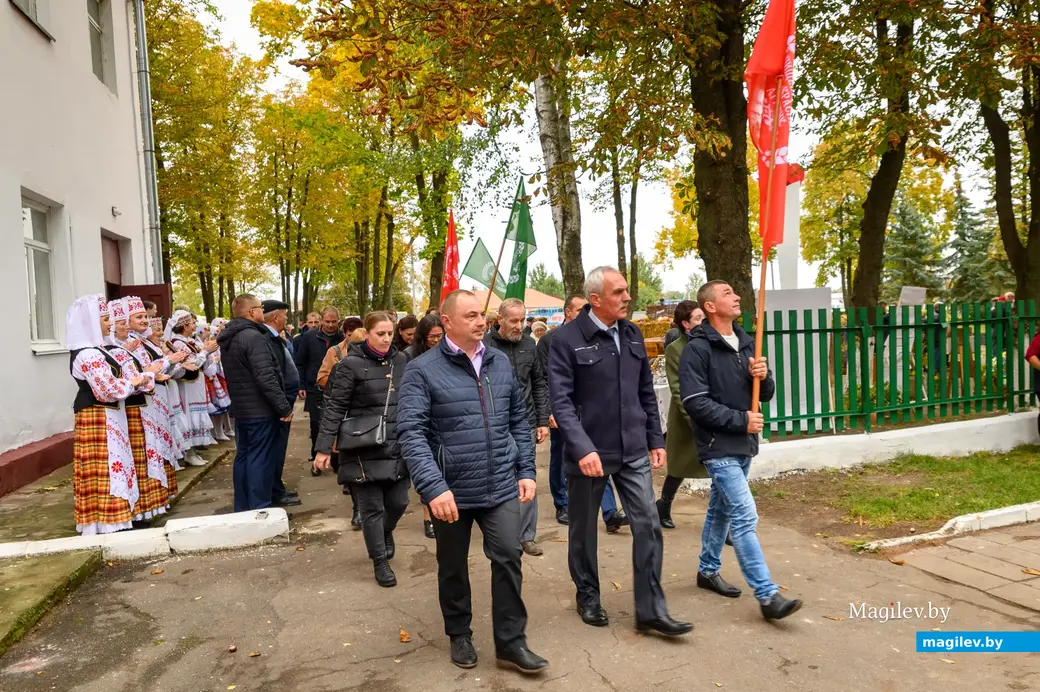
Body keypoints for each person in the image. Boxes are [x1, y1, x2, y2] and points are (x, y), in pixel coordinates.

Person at [397, 290, 548, 674]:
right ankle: (459, 633)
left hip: (499, 482)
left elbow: (519, 419)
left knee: (509, 557)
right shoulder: (422, 369)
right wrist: (433, 488)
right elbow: (411, 433)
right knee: (452, 565)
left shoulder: (498, 361)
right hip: (451, 490)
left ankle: (511, 643)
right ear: (446, 322)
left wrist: (526, 470)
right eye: (471, 316)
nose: (481, 322)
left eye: (482, 315)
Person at [549, 266, 691, 636]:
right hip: (589, 455)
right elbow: (561, 404)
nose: (628, 297)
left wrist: (655, 440)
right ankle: (589, 596)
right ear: (596, 299)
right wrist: (581, 449)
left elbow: (645, 391)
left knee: (648, 524)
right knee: (583, 533)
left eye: (627, 291)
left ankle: (650, 609)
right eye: (619, 292)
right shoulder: (566, 340)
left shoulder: (631, 334)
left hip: (632, 451)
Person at [679, 280, 803, 620]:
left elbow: (764, 395)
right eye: (727, 294)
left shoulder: (747, 343)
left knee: (720, 510)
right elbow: (694, 402)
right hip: (718, 445)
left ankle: (706, 570)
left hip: (744, 444)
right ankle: (767, 596)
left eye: (735, 293)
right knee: (745, 515)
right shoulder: (698, 349)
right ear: (710, 307)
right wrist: (740, 421)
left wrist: (764, 376)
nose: (735, 297)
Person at [314, 311, 410, 587]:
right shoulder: (349, 366)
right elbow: (334, 408)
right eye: (380, 333)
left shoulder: (402, 361)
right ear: (366, 334)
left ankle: (385, 531)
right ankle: (380, 561)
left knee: (399, 502)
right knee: (371, 509)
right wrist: (323, 449)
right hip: (361, 447)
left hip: (396, 444)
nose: (386, 338)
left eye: (390, 333)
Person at [67, 295, 160, 534]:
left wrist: (137, 379)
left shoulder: (96, 351)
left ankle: (118, 517)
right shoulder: (88, 354)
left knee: (116, 464)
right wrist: (142, 378)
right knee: (107, 466)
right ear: (89, 323)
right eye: (106, 319)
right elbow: (109, 390)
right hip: (98, 417)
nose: (110, 323)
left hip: (109, 416)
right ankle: (108, 521)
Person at [536, 295, 628, 530]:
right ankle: (562, 503)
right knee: (560, 458)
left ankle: (609, 513)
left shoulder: (597, 336)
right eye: (580, 310)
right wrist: (549, 410)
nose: (587, 314)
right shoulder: (551, 340)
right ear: (568, 312)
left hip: (588, 413)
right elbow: (546, 379)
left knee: (595, 456)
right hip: (562, 410)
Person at [483, 298, 549, 556]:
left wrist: (543, 420)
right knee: (498, 477)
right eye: (513, 320)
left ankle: (526, 536)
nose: (519, 325)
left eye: (522, 320)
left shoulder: (529, 345)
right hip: (494, 424)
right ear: (500, 319)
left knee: (527, 476)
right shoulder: (484, 346)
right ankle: (499, 532)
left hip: (526, 423)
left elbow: (539, 383)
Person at [218, 295, 294, 512]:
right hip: (259, 409)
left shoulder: (231, 337)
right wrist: (283, 406)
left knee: (244, 456)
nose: (263, 311)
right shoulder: (253, 337)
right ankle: (261, 509)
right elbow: (265, 376)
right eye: (260, 307)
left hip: (243, 408)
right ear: (252, 312)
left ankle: (243, 508)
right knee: (260, 458)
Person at [106, 299, 169, 522]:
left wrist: (152, 373)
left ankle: (149, 504)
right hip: (132, 407)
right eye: (121, 322)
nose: (143, 321)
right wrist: (150, 374)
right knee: (138, 455)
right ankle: (139, 508)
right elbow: (132, 377)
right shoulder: (110, 349)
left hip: (142, 402)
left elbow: (143, 373)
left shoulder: (133, 343)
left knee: (147, 452)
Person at [124, 297, 185, 503]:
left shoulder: (142, 341)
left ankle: (161, 494)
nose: (145, 321)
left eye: (145, 316)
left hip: (155, 395)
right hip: (144, 398)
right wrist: (166, 362)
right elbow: (139, 371)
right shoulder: (129, 343)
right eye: (139, 317)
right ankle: (152, 497)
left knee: (159, 441)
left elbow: (153, 367)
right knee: (150, 445)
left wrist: (171, 363)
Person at [657, 301, 708, 529]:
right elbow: (677, 388)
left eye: (703, 317)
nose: (703, 322)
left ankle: (724, 523)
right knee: (679, 468)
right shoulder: (675, 348)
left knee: (722, 470)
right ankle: (664, 505)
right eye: (698, 318)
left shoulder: (711, 343)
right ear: (686, 324)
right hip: (686, 417)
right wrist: (695, 419)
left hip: (712, 414)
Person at [401, 313, 445, 538]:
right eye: (432, 337)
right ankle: (428, 517)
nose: (437, 341)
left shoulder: (449, 355)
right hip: (422, 419)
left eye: (440, 336)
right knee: (429, 469)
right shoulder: (409, 357)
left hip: (445, 419)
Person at [164, 311, 219, 466]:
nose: (195, 325)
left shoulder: (189, 341)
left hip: (196, 385)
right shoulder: (178, 343)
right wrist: (205, 352)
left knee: (197, 413)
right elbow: (192, 365)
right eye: (192, 323)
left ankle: (194, 449)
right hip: (187, 386)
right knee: (189, 415)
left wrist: (208, 353)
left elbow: (202, 364)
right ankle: (189, 452)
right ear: (185, 325)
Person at [262, 300, 303, 508]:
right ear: (275, 317)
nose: (286, 319)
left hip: (284, 401)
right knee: (274, 452)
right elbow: (272, 376)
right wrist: (283, 404)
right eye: (285, 315)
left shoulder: (275, 337)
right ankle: (274, 492)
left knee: (279, 451)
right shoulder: (266, 338)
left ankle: (277, 489)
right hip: (278, 405)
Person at [294, 307, 345, 462]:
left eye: (334, 321)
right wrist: (301, 385)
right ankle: (316, 454)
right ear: (322, 320)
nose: (330, 325)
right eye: (327, 321)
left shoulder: (342, 337)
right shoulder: (310, 337)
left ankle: (335, 457)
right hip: (314, 387)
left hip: (338, 388)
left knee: (337, 423)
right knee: (316, 423)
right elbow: (300, 362)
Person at [206, 317, 234, 442]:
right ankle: (216, 432)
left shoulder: (218, 347)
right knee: (215, 409)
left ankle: (226, 429)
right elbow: (208, 366)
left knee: (224, 408)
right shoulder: (209, 350)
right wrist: (216, 363)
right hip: (212, 379)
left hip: (220, 378)